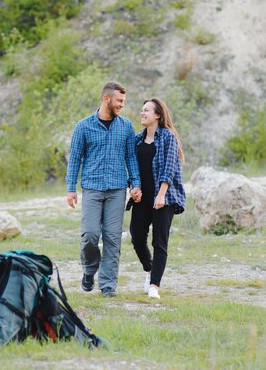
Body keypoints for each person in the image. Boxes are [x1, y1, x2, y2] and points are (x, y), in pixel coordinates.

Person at [66, 81, 142, 297]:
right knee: (90, 234)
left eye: (124, 102)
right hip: (92, 188)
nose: (122, 105)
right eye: (119, 101)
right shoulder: (83, 126)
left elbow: (131, 157)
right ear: (106, 99)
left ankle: (108, 285)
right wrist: (71, 188)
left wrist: (135, 183)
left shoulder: (126, 127)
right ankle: (89, 271)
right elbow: (75, 159)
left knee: (112, 238)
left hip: (117, 190)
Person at [127, 98, 185, 299]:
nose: (142, 113)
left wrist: (161, 195)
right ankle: (150, 269)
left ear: (157, 115)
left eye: (146, 110)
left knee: (159, 242)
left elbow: (168, 168)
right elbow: (133, 169)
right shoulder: (136, 140)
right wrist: (133, 188)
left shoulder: (168, 137)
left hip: (164, 197)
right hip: (142, 198)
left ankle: (154, 286)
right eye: (141, 110)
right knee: (136, 237)